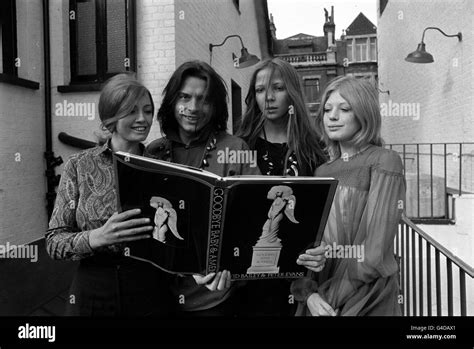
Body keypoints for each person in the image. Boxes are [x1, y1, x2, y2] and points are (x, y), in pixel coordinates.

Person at [45, 73, 175, 316]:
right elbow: (54, 242)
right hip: (92, 289)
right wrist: (97, 237)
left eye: (147, 111)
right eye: (131, 112)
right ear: (110, 118)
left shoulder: (163, 169)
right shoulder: (79, 166)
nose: (142, 119)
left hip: (148, 289)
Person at [146, 60, 260, 315]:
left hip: (216, 299)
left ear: (216, 106)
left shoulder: (237, 149)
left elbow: (255, 217)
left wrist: (233, 266)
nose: (193, 108)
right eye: (185, 97)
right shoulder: (153, 152)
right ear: (172, 101)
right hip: (158, 295)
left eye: (204, 100)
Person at [291, 75, 405, 316]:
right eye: (327, 109)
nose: (332, 116)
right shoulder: (321, 172)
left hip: (368, 295)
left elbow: (374, 252)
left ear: (364, 114)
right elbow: (310, 243)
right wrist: (308, 294)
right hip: (320, 293)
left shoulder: (385, 161)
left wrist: (327, 298)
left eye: (344, 109)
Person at [237, 58, 327, 316]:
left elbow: (323, 212)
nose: (268, 97)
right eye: (260, 89)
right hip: (248, 271)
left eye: (277, 88)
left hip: (299, 271)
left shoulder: (314, 149)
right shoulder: (241, 145)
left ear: (292, 93)